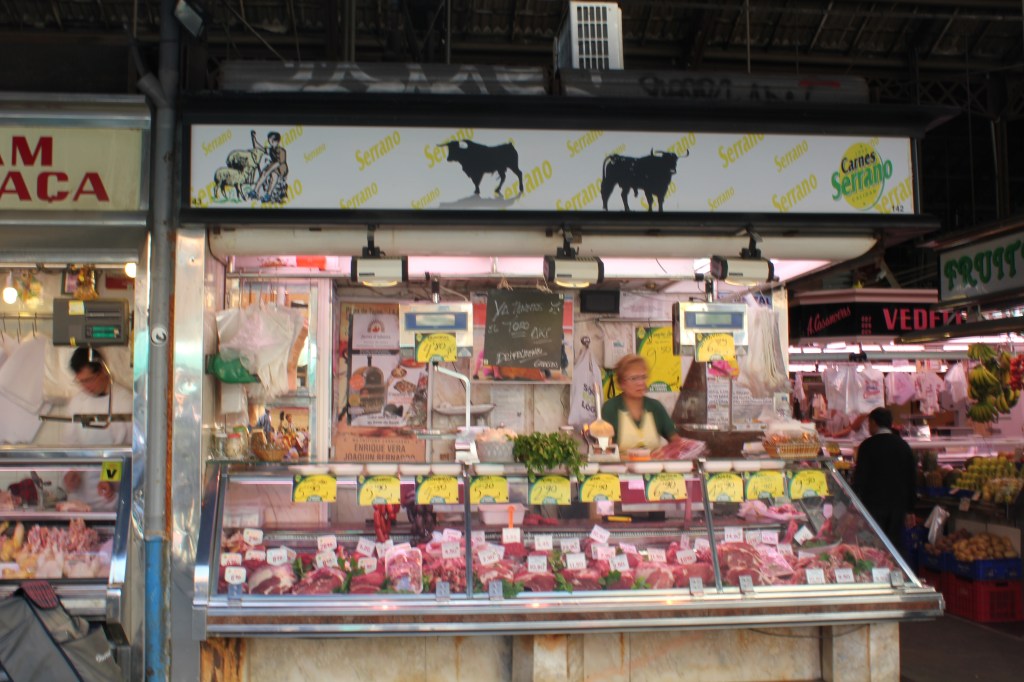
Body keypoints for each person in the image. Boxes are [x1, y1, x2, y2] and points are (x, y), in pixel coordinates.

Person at [61, 348, 132, 511]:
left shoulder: (124, 401)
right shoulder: (76, 403)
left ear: (103, 371)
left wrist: (110, 481)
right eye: (81, 381)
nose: (86, 387)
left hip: (111, 500)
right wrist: (69, 472)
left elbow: (123, 450)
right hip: (79, 501)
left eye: (89, 380)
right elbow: (69, 446)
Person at [852, 407, 917, 556]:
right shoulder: (903, 446)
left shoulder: (868, 446)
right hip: (897, 506)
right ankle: (896, 573)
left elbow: (860, 477)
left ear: (874, 423)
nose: (868, 427)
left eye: (869, 423)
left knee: (875, 546)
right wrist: (910, 508)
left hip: (873, 505)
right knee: (894, 545)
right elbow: (911, 478)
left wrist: (855, 502)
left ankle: (878, 574)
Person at [600, 354, 682, 451]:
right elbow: (603, 449)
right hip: (620, 465)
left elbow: (676, 442)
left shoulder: (655, 407)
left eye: (643, 377)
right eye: (633, 378)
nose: (640, 383)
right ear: (621, 383)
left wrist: (667, 453)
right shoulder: (610, 408)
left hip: (655, 465)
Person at [250, 130, 288, 202]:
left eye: (270, 140)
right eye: (269, 140)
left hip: (281, 168)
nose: (269, 141)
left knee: (273, 176)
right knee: (264, 173)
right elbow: (258, 147)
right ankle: (254, 191)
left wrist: (268, 171)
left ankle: (268, 195)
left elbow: (279, 163)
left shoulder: (282, 150)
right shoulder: (271, 149)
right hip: (273, 165)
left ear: (276, 141)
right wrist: (253, 138)